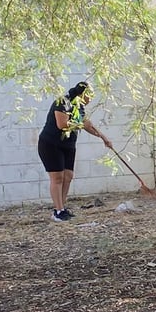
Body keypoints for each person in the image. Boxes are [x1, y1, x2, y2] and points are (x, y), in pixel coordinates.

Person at [37, 81, 113, 222]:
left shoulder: (80, 106)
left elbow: (87, 125)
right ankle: (58, 211)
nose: (91, 99)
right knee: (57, 177)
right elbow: (62, 124)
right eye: (89, 95)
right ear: (82, 94)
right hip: (51, 144)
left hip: (68, 145)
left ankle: (62, 208)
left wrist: (103, 138)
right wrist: (82, 123)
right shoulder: (63, 102)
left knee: (68, 176)